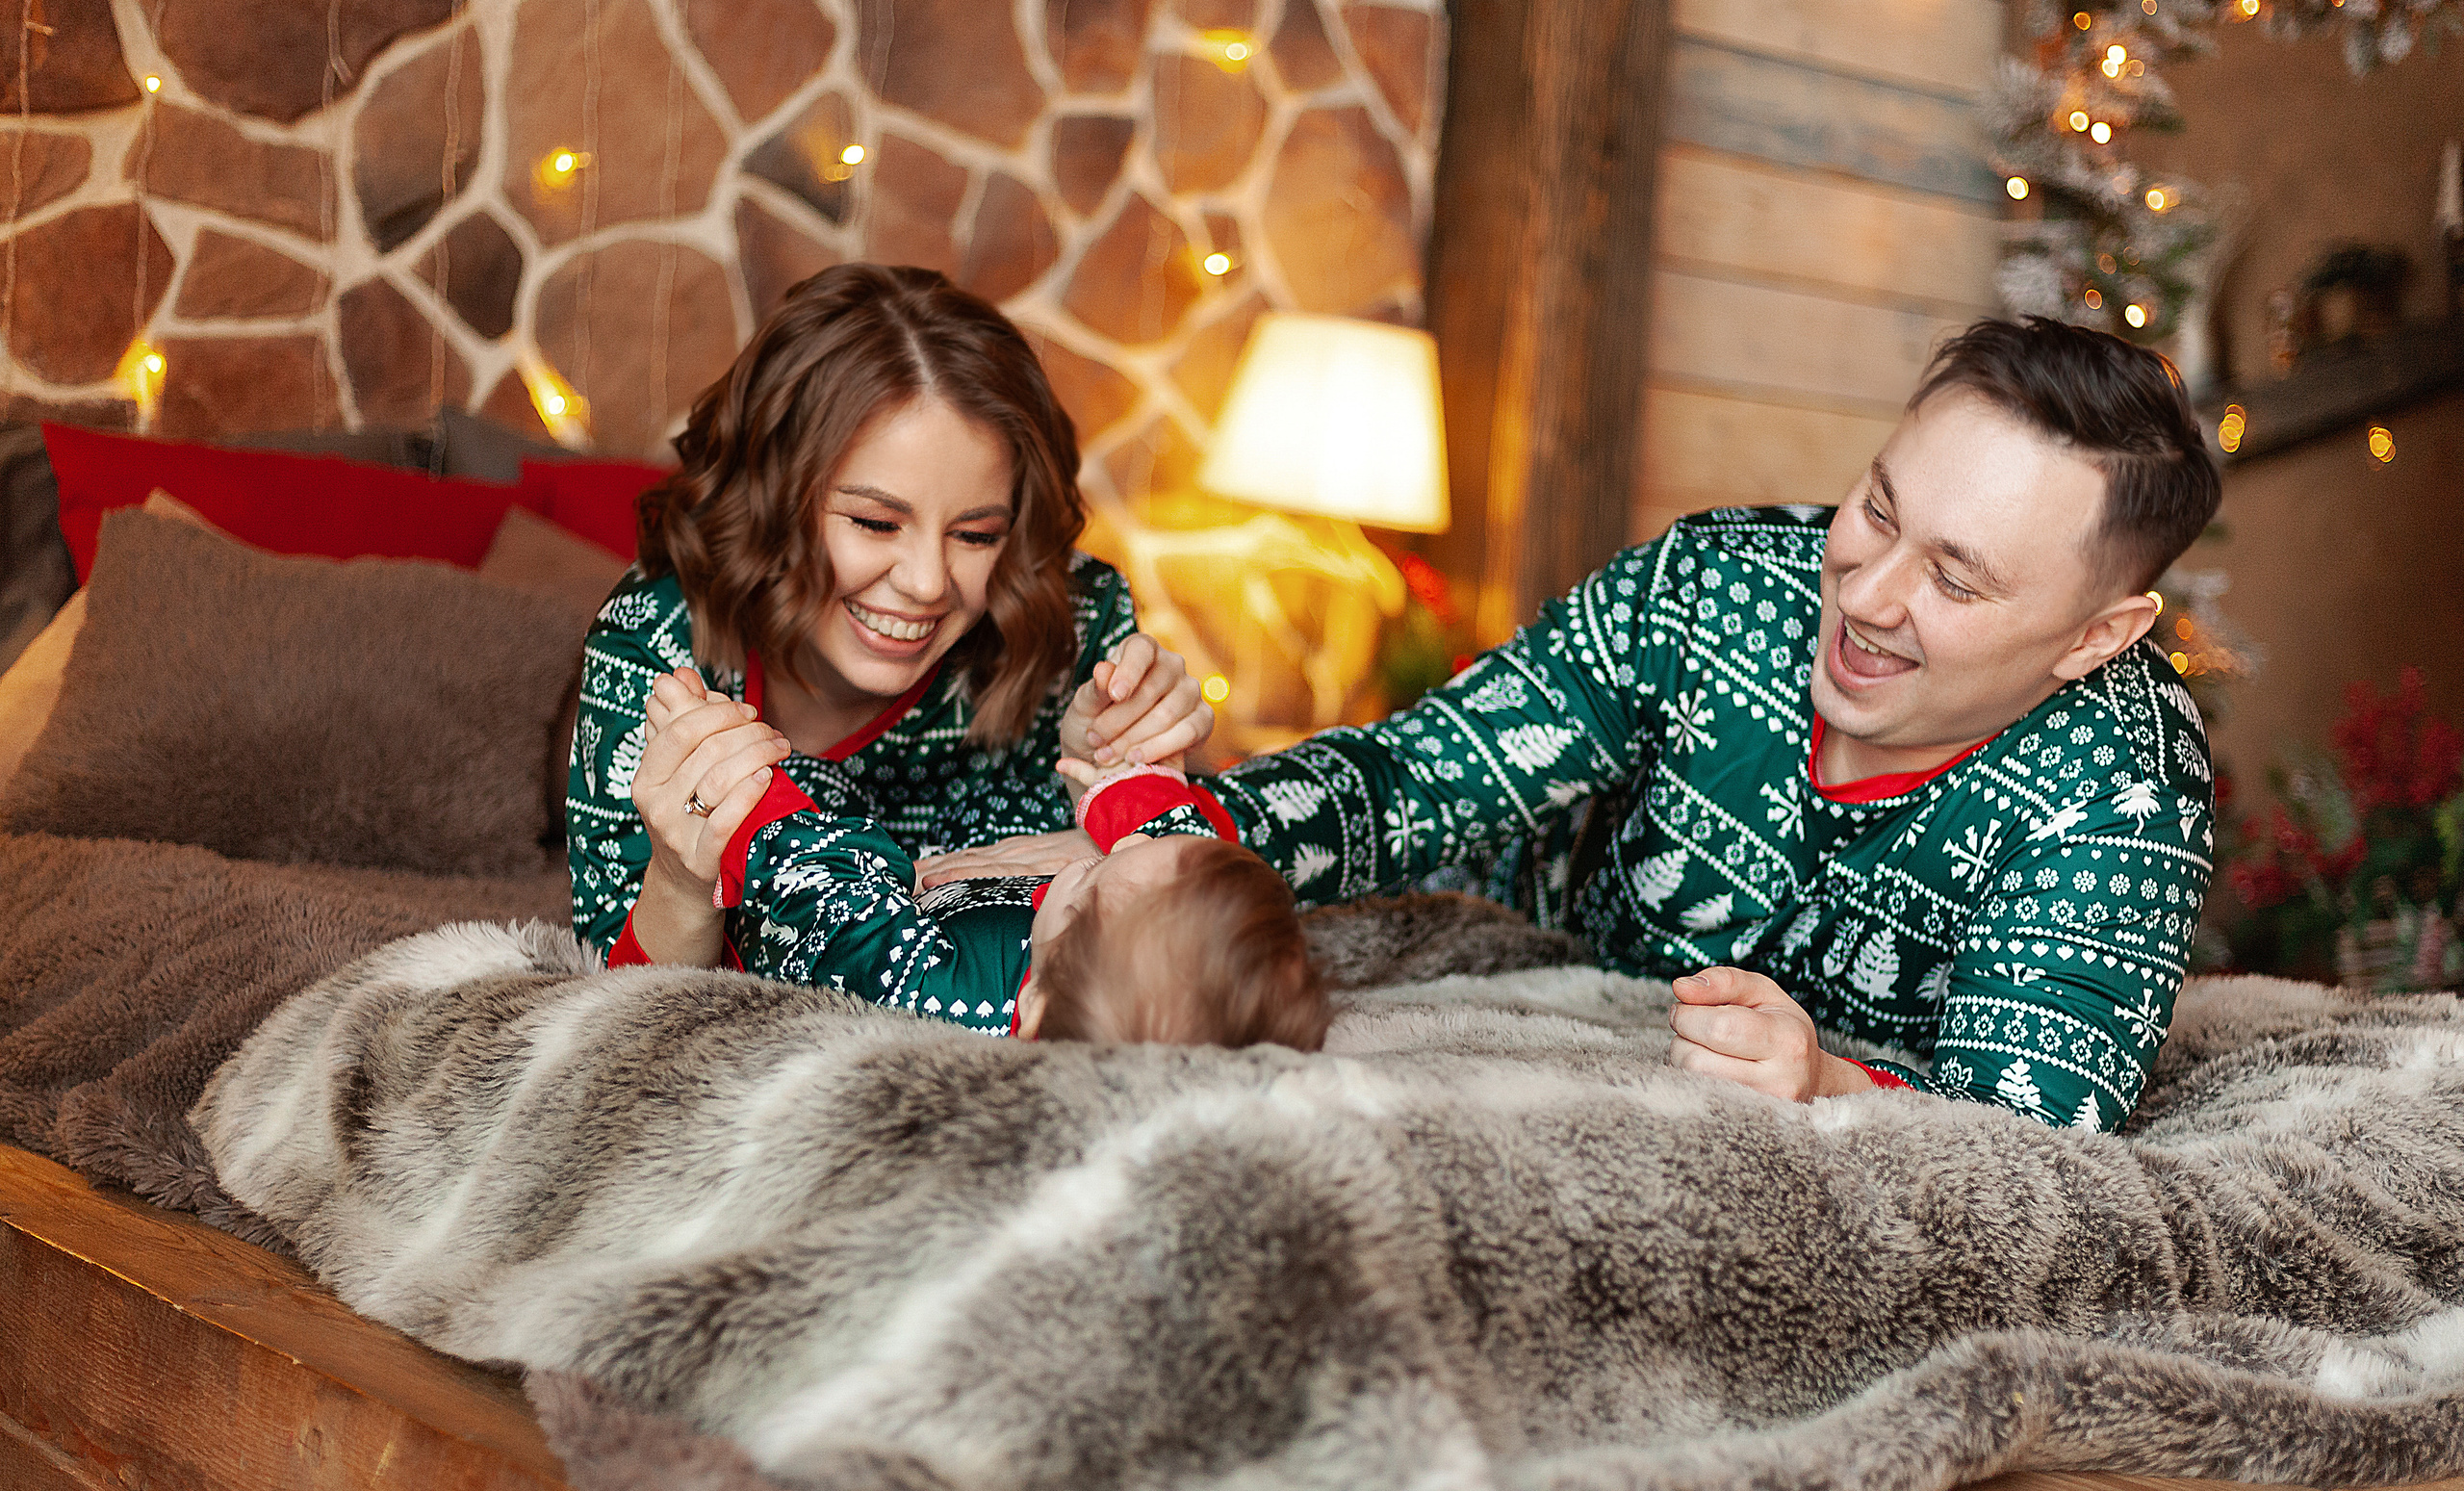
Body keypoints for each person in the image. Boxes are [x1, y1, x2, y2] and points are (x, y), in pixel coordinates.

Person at [930, 318, 2222, 1130]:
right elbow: (1426, 771)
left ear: (2098, 634)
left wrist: (1829, 1081)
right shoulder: (1716, 583)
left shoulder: (2126, 789)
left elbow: (2038, 1127)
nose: (1867, 593)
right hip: (1520, 935)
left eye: (1954, 574)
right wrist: (1182, 833)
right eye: (1876, 509)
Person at [567, 264, 1217, 973]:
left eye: (976, 535)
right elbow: (615, 1006)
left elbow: (1175, 918)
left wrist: (1111, 791)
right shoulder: (656, 639)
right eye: (876, 522)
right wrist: (680, 881)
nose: (926, 582)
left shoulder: (1074, 621)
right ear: (771, 496)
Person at [641, 666, 1328, 1049]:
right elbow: (1168, 837)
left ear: (1030, 1007)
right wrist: (1126, 778)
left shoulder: (937, 1007)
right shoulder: (1107, 960)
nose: (1130, 842)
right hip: (962, 867)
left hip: (783, 919)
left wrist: (727, 767)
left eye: (1093, 873)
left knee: (816, 877)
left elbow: (823, 886)